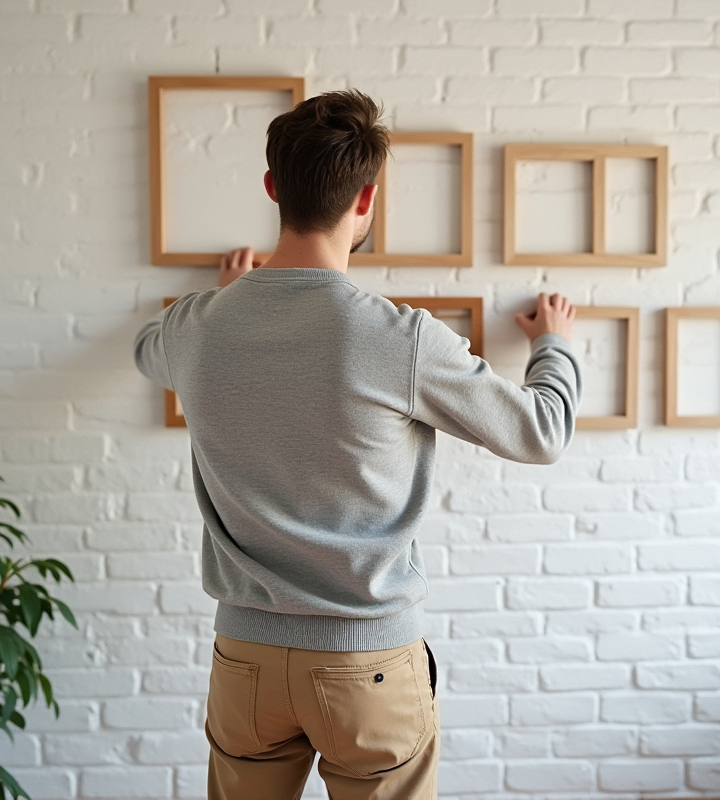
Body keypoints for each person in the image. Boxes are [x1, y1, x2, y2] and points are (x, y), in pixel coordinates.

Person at [133, 89, 581, 800]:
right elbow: (542, 431)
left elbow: (147, 351)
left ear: (273, 188)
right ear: (366, 198)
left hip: (245, 660)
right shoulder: (398, 339)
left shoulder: (197, 327)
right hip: (366, 660)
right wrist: (553, 343)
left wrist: (228, 299)